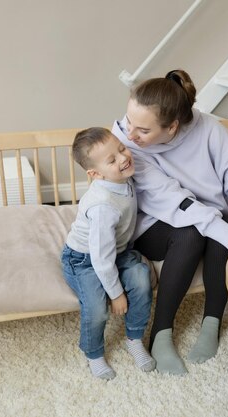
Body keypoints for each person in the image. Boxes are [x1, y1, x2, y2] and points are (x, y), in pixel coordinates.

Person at [111, 69, 228, 375]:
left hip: (206, 214)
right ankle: (161, 333)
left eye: (142, 130)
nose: (129, 135)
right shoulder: (127, 145)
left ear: (172, 127)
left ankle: (211, 322)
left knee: (220, 220)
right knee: (194, 232)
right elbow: (171, 199)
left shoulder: (211, 130)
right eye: (129, 122)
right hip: (153, 223)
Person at [60, 127, 155, 380]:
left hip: (118, 251)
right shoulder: (103, 205)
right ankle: (93, 352)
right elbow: (101, 260)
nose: (123, 158)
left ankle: (134, 339)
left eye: (122, 149)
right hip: (84, 260)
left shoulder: (125, 178)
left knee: (141, 279)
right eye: (112, 160)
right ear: (95, 174)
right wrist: (116, 294)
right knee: (96, 305)